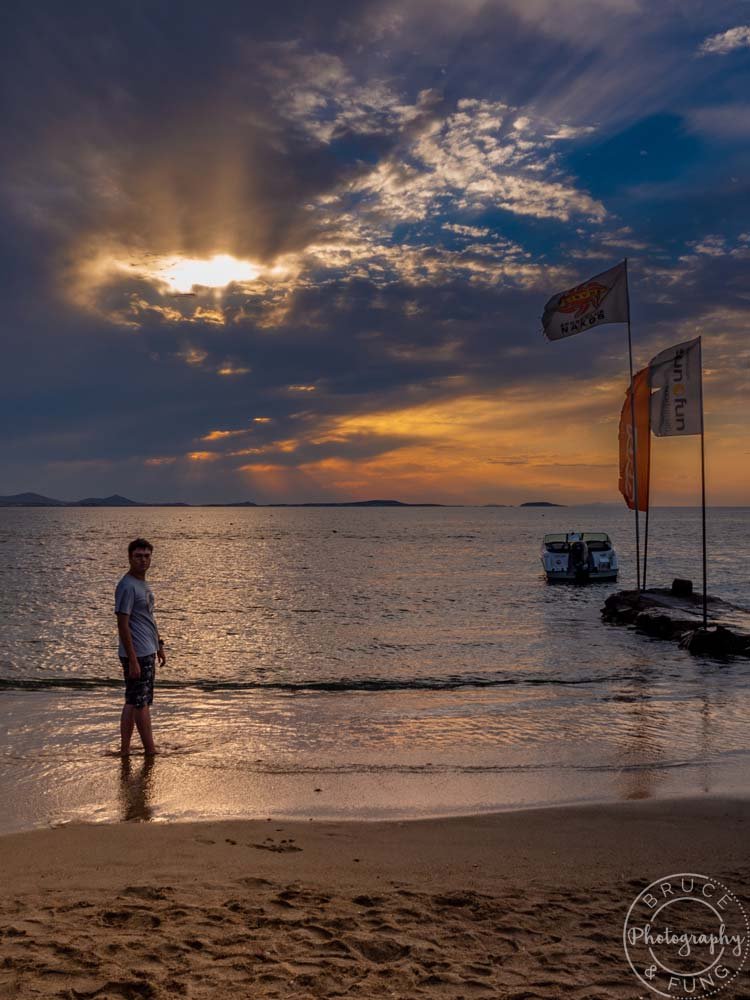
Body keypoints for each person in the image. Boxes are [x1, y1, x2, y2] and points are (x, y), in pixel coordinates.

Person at [115, 538, 166, 755]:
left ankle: (125, 750)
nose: (143, 560)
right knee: (140, 703)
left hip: (147, 649)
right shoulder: (127, 586)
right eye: (138, 556)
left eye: (146, 556)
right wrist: (133, 658)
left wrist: (159, 644)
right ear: (130, 558)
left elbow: (148, 617)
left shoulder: (142, 583)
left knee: (133, 699)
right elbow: (122, 624)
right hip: (137, 653)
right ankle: (150, 751)